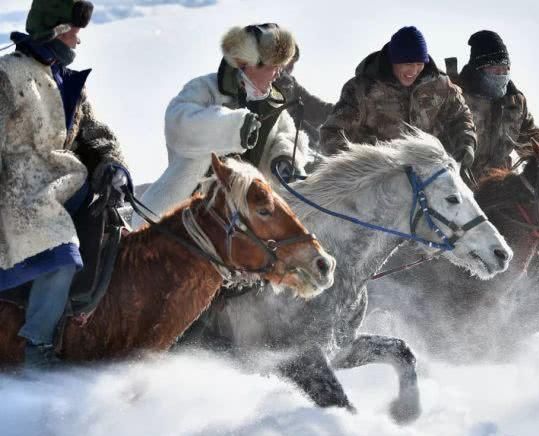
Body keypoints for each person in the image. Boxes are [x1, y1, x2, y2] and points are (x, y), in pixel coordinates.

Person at [0, 0, 129, 368]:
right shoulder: (6, 74)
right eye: (73, 31)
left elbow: (92, 132)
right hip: (19, 190)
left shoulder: (65, 78)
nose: (78, 40)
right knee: (61, 253)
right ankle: (37, 346)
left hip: (66, 182)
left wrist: (112, 164)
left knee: (111, 229)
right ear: (55, 30)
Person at [132, 23, 309, 229]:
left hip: (245, 214)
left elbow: (285, 134)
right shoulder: (206, 88)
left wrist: (285, 157)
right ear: (247, 64)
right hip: (189, 208)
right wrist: (234, 127)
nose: (279, 73)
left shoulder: (273, 102)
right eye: (274, 66)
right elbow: (178, 123)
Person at [320, 26, 476, 169]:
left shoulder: (440, 86)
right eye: (407, 63)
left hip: (428, 178)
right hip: (375, 180)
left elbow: (461, 116)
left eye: (419, 63)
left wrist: (466, 143)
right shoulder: (362, 90)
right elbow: (331, 134)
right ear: (393, 60)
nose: (414, 70)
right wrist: (367, 160)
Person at [449, 30, 539, 178]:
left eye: (505, 68)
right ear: (478, 68)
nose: (501, 74)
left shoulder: (515, 103)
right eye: (495, 68)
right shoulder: (456, 96)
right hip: (458, 184)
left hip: (498, 187)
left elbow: (531, 136)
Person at [274, 45, 334, 148]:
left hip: (279, 141)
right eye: (289, 61)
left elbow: (313, 105)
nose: (291, 67)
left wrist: (339, 111)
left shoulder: (292, 85)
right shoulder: (259, 73)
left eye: (294, 63)